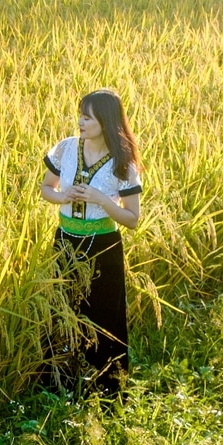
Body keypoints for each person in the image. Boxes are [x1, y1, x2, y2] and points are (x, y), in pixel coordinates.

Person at [38, 89, 143, 391]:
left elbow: (132, 219)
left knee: (104, 317)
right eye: (80, 115)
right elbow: (46, 188)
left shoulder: (123, 163)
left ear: (106, 121)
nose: (80, 122)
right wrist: (61, 196)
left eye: (88, 117)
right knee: (59, 311)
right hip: (64, 241)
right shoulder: (67, 149)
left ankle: (109, 386)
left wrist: (101, 199)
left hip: (103, 246)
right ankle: (56, 382)